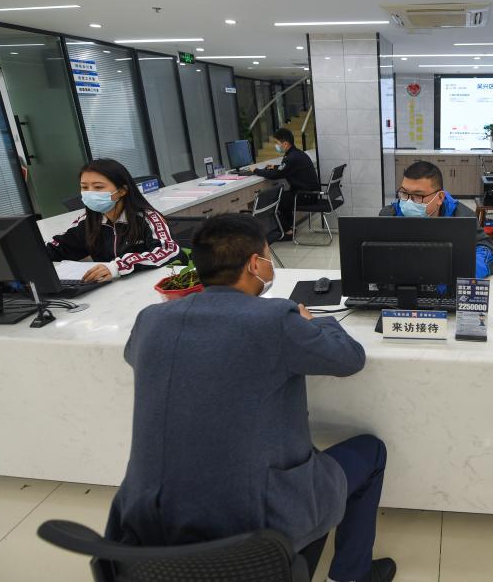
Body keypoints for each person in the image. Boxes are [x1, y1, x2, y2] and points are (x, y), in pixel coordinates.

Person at [105, 213, 396, 582]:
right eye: (268, 256)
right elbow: (350, 359)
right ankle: (350, 576)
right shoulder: (275, 319)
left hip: (147, 522)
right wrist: (315, 323)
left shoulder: (151, 319)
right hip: (255, 525)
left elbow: (135, 356)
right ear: (255, 264)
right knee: (371, 452)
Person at [46, 158, 179, 282]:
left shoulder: (148, 218)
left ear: (122, 191)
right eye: (84, 187)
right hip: (108, 288)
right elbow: (58, 248)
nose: (90, 193)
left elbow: (168, 250)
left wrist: (117, 267)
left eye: (98, 187)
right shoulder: (87, 221)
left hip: (148, 283)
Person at [379, 160, 493, 279]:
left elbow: (487, 252)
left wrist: (455, 273)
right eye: (404, 193)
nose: (409, 202)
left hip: (445, 283)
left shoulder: (462, 217)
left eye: (418, 195)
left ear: (440, 197)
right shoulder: (389, 215)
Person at [252, 127, 320, 238]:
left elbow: (276, 175)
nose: (276, 145)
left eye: (277, 143)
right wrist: (276, 166)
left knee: (276, 200)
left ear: (285, 144)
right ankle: (289, 228)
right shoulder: (297, 153)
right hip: (309, 194)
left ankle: (287, 232)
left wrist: (256, 170)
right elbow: (286, 168)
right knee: (283, 197)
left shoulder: (291, 157)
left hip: (305, 196)